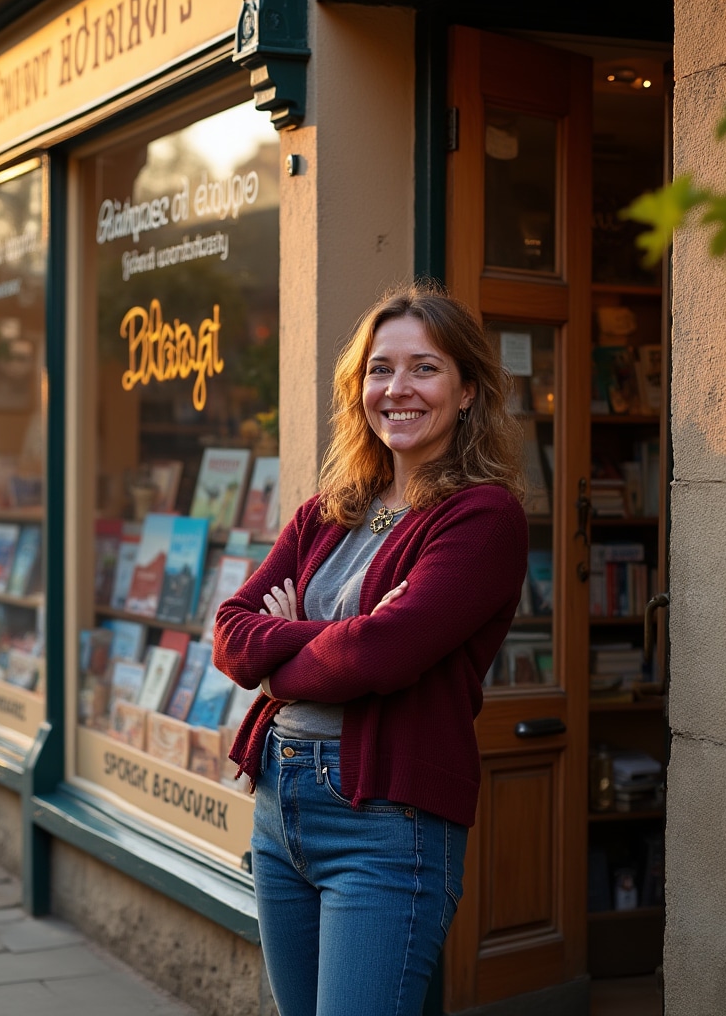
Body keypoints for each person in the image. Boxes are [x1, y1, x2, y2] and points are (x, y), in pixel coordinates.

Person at [212, 281, 529, 1016]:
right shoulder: (330, 510)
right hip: (278, 803)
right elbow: (232, 634)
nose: (398, 388)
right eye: (380, 369)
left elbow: (382, 656)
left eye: (425, 368)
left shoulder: (482, 517)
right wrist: (335, 639)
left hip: (386, 821)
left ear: (468, 391)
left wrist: (286, 656)